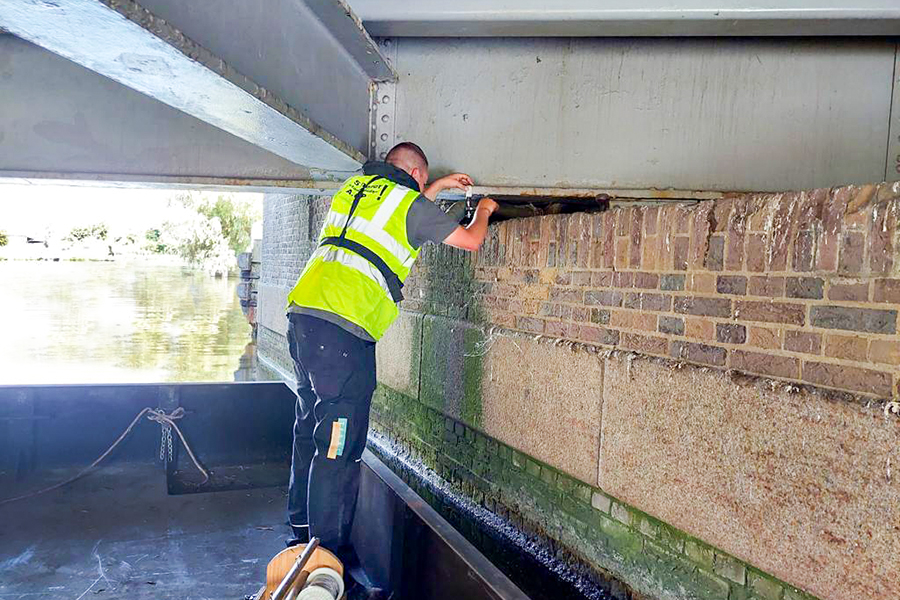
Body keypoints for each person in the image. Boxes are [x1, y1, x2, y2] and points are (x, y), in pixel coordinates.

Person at [283, 142, 498, 557]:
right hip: (342, 334)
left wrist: (432, 188)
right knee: (338, 445)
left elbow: (397, 220)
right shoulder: (409, 205)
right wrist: (485, 207)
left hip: (303, 317)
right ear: (416, 175)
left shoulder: (357, 189)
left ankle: (299, 531)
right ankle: (324, 560)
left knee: (308, 425)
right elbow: (470, 240)